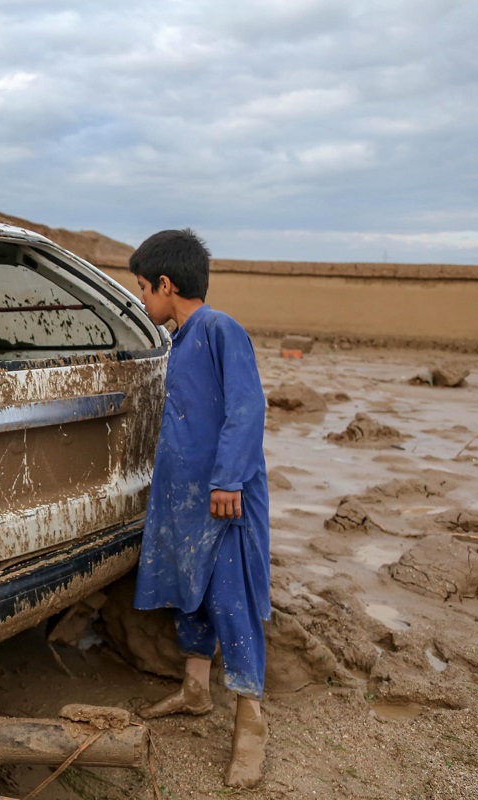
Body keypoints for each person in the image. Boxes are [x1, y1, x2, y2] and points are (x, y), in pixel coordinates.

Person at [129, 229, 271, 789]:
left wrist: (229, 478)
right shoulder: (180, 340)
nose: (142, 300)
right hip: (186, 497)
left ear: (167, 284)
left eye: (143, 288)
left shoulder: (218, 328)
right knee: (190, 589)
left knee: (230, 596)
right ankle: (194, 689)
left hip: (224, 495)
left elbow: (247, 405)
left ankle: (251, 726)